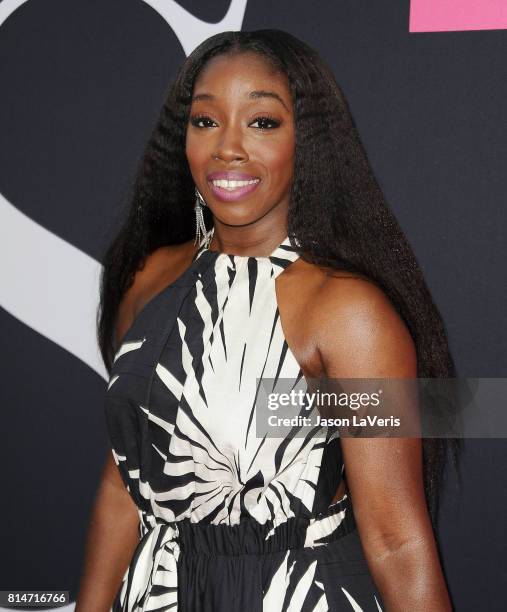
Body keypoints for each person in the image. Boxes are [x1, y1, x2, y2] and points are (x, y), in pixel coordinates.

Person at [76, 29, 462, 611]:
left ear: (306, 141)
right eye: (206, 121)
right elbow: (124, 484)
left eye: (262, 122)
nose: (228, 147)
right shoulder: (150, 279)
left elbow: (396, 542)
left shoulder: (346, 313)